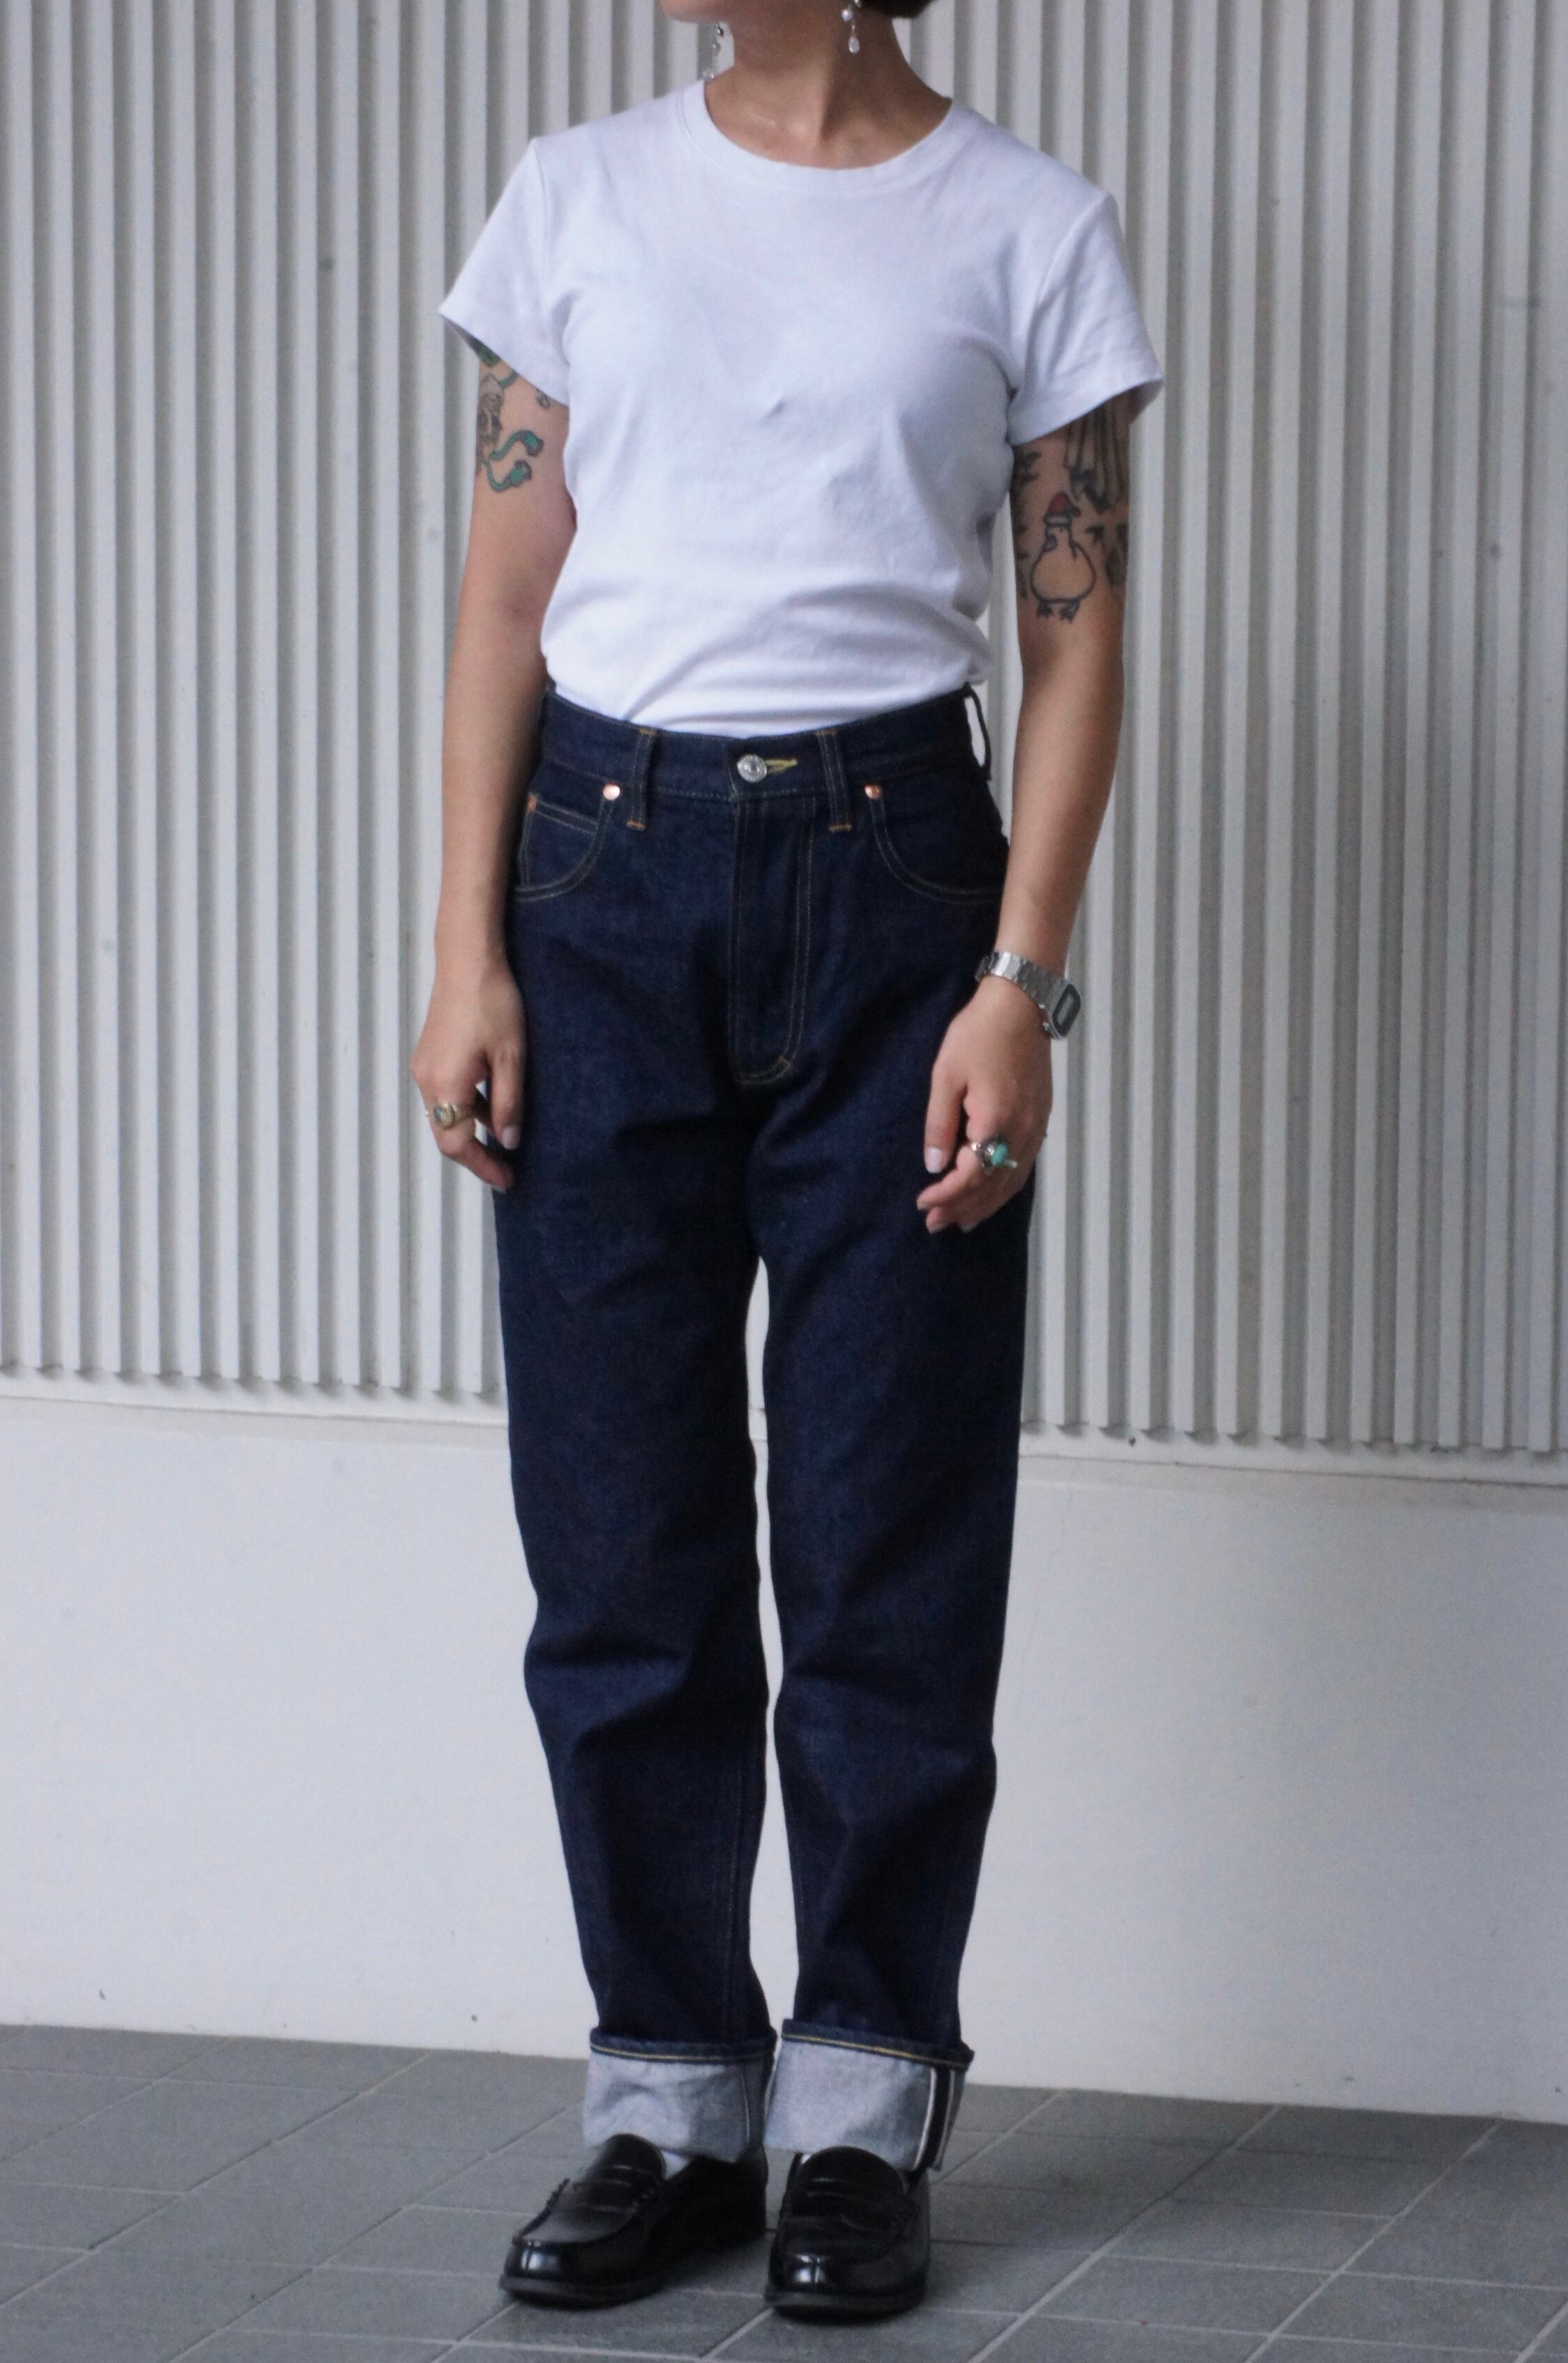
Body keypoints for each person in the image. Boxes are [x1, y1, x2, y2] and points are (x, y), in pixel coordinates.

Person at [412, 0, 1163, 2323]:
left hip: (898, 885)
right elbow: (505, 601)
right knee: (617, 1534)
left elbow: (1074, 641)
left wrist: (1021, 985)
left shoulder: (1029, 227)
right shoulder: (577, 199)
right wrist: (466, 948)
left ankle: (856, 2106)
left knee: (885, 1527)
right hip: (599, 884)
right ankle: (667, 2095)